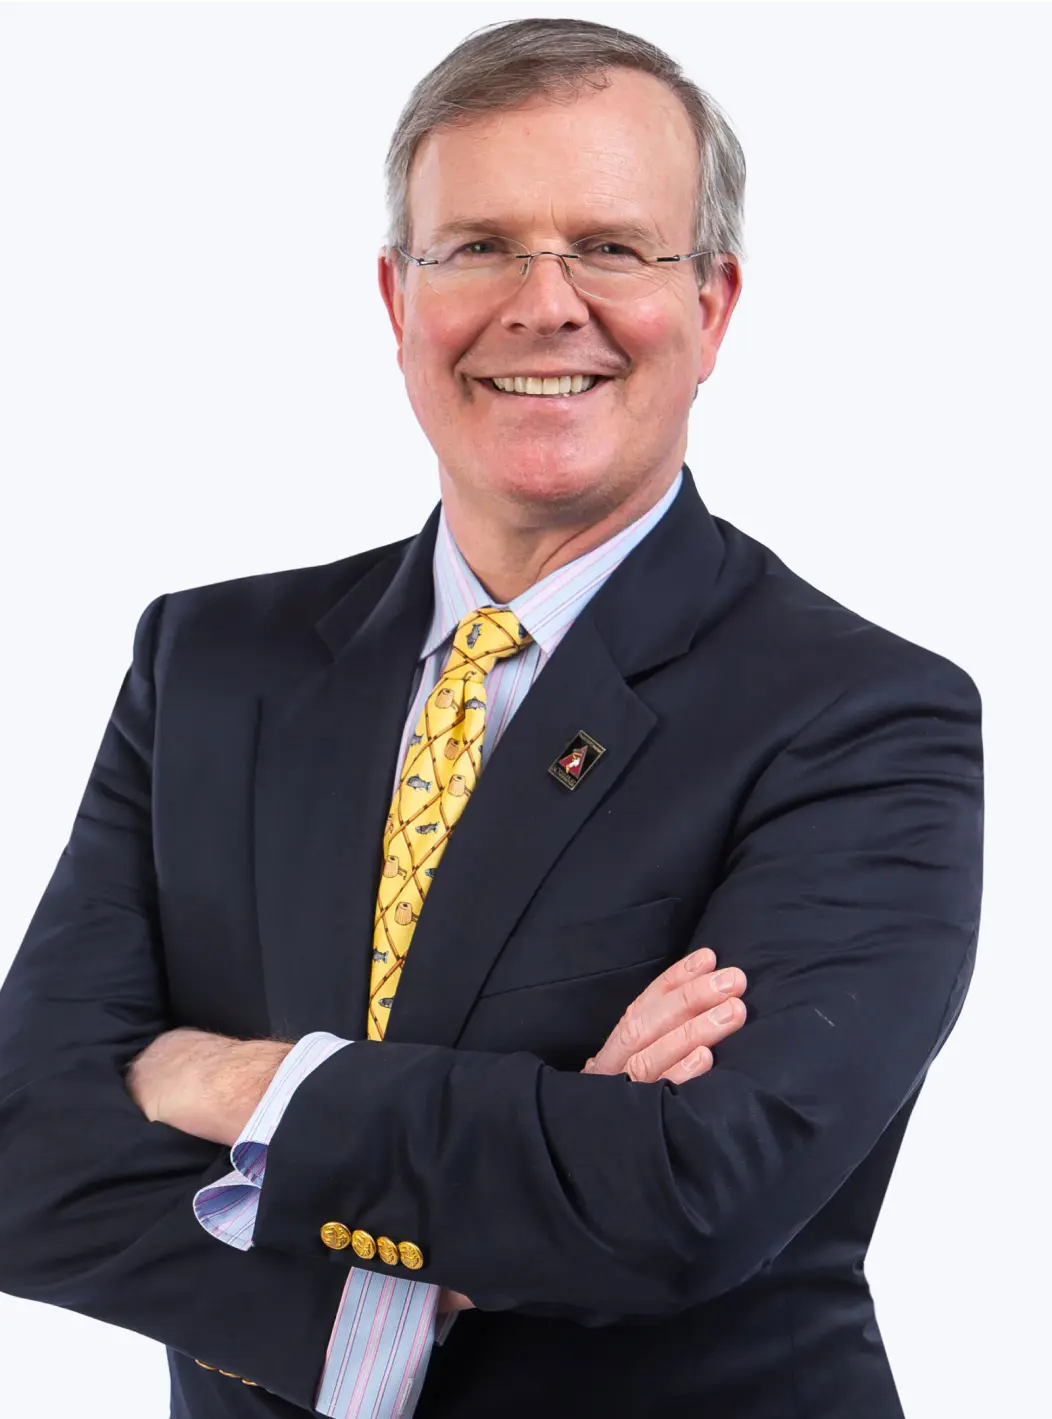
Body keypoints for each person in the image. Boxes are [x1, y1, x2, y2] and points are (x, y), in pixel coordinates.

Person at [0, 16, 983, 1419]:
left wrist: (241, 1080)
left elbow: (683, 1195)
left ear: (711, 309)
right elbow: (27, 1149)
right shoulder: (208, 661)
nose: (544, 302)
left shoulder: (865, 717)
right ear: (399, 301)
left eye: (612, 246)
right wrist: (445, 1253)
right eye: (479, 246)